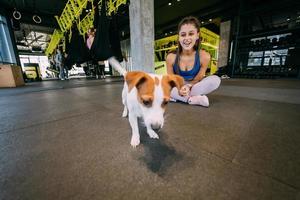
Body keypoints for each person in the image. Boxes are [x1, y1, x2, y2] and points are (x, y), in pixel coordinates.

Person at [166, 16, 221, 107]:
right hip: (178, 87)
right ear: (179, 37)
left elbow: (198, 79)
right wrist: (180, 88)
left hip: (194, 86)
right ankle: (191, 99)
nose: (187, 38)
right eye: (183, 35)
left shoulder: (204, 56)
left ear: (197, 35)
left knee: (216, 80)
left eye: (191, 34)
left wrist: (188, 86)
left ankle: (179, 97)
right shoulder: (171, 57)